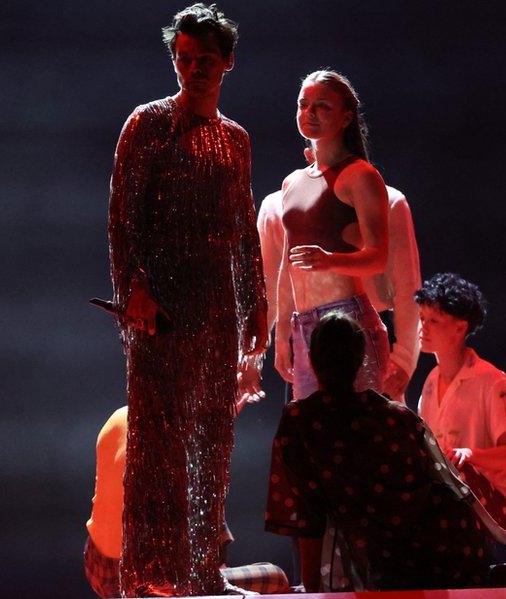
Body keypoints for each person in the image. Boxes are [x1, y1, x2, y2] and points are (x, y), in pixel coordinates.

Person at [106, 4, 268, 595]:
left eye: (204, 60)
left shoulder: (236, 140)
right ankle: (152, 577)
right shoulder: (147, 125)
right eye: (183, 59)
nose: (193, 69)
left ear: (227, 62)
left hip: (216, 311)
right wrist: (137, 292)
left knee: (212, 441)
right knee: (160, 444)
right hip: (160, 316)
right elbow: (124, 220)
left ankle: (201, 572)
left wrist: (257, 309)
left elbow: (244, 231)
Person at [265, 313, 506, 592]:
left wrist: (312, 588)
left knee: (398, 566)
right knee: (453, 564)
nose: (423, 327)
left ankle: (501, 572)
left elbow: (305, 512)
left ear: (313, 360)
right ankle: (500, 570)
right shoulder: (394, 414)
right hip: (448, 541)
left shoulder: (302, 419)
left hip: (377, 558)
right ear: (361, 360)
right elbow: (448, 484)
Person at [258, 155, 421, 400]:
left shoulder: (388, 200)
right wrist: (263, 348)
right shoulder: (278, 204)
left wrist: (404, 358)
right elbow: (270, 284)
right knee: (310, 428)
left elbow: (407, 285)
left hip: (361, 329)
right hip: (303, 335)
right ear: (307, 155)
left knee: (368, 429)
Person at [271, 70, 391, 401]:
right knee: (315, 437)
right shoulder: (292, 182)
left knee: (359, 435)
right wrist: (282, 332)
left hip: (348, 321)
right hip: (303, 326)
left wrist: (329, 261)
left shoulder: (360, 176)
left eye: (321, 106)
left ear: (345, 117)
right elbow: (286, 264)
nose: (309, 113)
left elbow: (378, 256)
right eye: (303, 104)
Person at [84, 407, 289, 598]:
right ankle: (213, 578)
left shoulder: (120, 416)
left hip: (99, 569)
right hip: (147, 581)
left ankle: (214, 573)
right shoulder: (177, 444)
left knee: (200, 494)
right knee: (276, 577)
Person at [415, 273, 506, 542]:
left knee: (457, 476)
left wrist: (469, 455)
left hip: (503, 507)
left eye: (434, 320)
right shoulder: (430, 385)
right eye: (422, 318)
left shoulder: (491, 381)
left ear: (460, 327)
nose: (424, 327)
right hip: (457, 504)